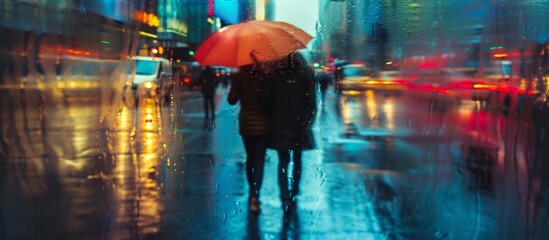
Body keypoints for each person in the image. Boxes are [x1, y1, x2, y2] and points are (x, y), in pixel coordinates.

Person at [262, 52, 317, 213]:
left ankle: (284, 196)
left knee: (283, 161)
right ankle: (294, 191)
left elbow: (266, 101)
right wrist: (308, 122)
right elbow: (312, 102)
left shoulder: (275, 75)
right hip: (300, 124)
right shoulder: (305, 74)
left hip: (279, 124)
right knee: (298, 160)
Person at [228, 63, 270, 213]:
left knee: (250, 158)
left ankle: (252, 190)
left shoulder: (240, 76)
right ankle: (254, 195)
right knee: (259, 161)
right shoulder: (265, 76)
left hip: (246, 123)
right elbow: (270, 100)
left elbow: (231, 100)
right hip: (264, 124)